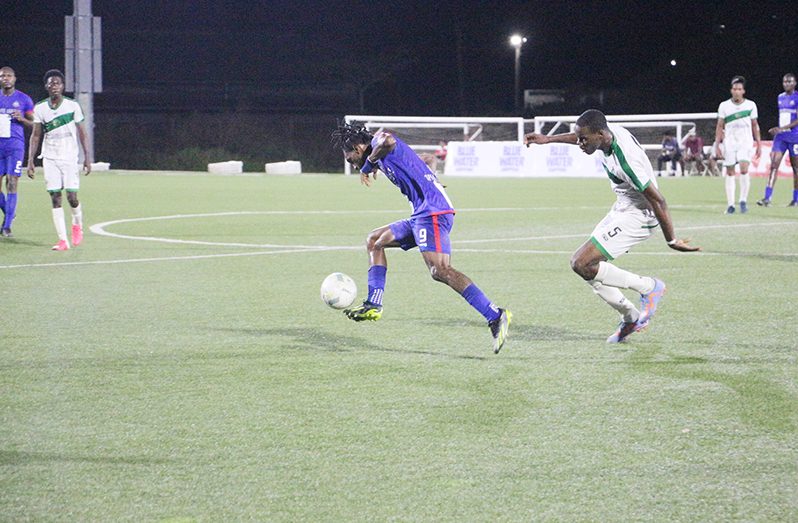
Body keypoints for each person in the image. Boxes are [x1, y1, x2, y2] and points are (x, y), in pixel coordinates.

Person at [331, 122, 511, 353]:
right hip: (422, 214)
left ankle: (495, 315)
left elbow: (387, 139)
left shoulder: (378, 143)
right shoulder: (386, 156)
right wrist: (431, 178)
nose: (353, 166)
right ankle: (373, 304)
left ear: (358, 148)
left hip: (433, 213)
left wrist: (368, 165)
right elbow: (426, 159)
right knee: (375, 241)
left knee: (440, 270)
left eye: (351, 160)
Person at [524, 109, 700, 343]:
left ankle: (649, 287)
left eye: (584, 139)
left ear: (599, 135)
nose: (579, 143)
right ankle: (630, 318)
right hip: (623, 207)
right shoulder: (605, 132)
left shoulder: (626, 161)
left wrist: (671, 240)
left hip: (640, 215)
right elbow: (580, 134)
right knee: (586, 266)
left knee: (581, 262)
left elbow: (659, 200)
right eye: (579, 138)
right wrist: (549, 139)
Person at [26, 69, 91, 251]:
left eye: (57, 83)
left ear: (63, 86)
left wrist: (87, 157)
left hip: (70, 157)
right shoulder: (40, 108)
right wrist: (30, 161)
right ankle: (63, 240)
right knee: (55, 197)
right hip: (50, 158)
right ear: (46, 86)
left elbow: (83, 133)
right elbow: (36, 135)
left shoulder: (72, 106)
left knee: (71, 197)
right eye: (51, 83)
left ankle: (77, 224)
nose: (54, 86)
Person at [715, 75, 761, 214]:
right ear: (731, 90)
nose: (736, 91)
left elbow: (755, 125)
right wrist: (717, 144)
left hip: (745, 142)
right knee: (730, 172)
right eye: (734, 89)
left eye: (739, 89)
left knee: (744, 168)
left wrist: (758, 143)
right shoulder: (724, 106)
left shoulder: (750, 105)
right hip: (729, 142)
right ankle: (730, 204)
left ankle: (743, 201)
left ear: (743, 91)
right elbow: (719, 126)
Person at [0, 66, 34, 237]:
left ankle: (6, 227)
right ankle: (10, 212)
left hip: (15, 147)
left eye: (9, 76)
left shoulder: (24, 99)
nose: (6, 78)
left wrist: (21, 119)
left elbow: (34, 124)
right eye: (2, 76)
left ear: (14, 78)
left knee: (12, 183)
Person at [757, 73, 798, 207]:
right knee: (774, 165)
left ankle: (795, 199)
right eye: (785, 82)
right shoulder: (780, 97)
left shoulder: (797, 98)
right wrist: (780, 130)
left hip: (794, 136)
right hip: (780, 137)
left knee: (795, 168)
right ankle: (767, 198)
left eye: (789, 82)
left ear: (794, 83)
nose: (786, 84)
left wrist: (783, 128)